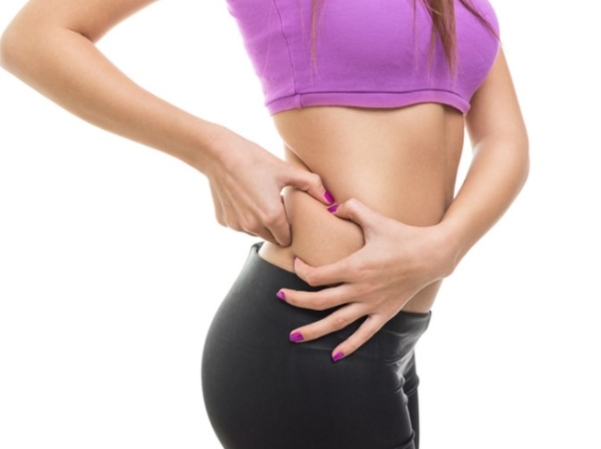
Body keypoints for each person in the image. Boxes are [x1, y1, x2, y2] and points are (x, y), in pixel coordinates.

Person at [0, 0, 529, 448]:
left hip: (393, 334)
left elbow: (503, 137)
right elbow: (35, 37)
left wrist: (445, 246)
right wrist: (214, 150)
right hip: (307, 335)